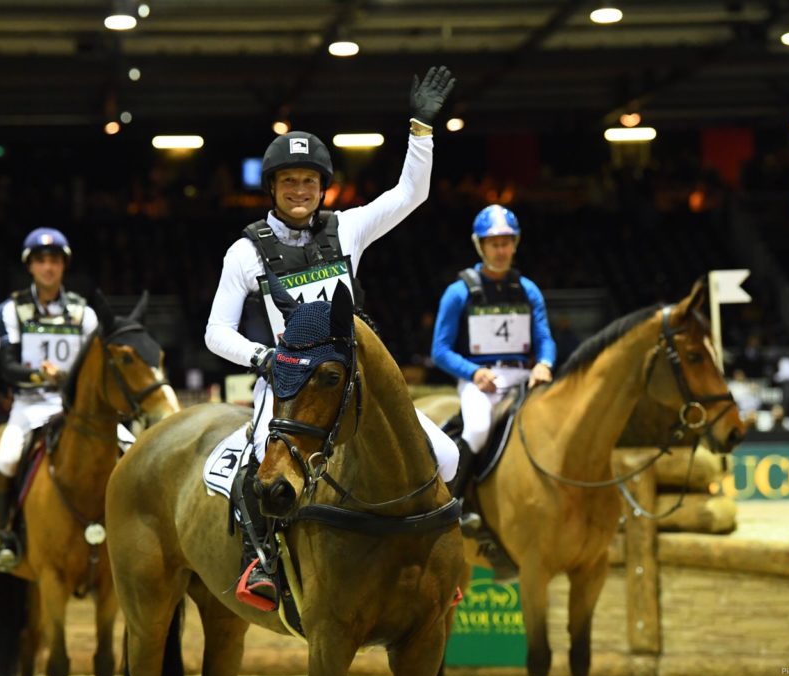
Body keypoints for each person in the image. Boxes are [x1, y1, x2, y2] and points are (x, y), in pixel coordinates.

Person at [205, 66, 457, 610]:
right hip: (290, 386)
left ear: (324, 187)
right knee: (252, 468)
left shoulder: (348, 229)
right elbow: (215, 332)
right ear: (272, 187)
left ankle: (442, 554)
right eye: (289, 181)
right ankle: (263, 564)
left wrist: (421, 130)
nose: (300, 191)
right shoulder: (245, 252)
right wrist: (266, 358)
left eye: (310, 182)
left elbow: (412, 193)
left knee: (446, 455)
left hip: (356, 383)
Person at [0, 227, 98, 572]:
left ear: (63, 267)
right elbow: (7, 367)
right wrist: (41, 375)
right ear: (30, 267)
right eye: (41, 261)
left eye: (54, 261)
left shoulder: (84, 313)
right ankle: (7, 536)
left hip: (75, 407)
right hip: (30, 406)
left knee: (128, 447)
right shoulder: (11, 310)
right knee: (5, 460)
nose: (48, 267)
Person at [431, 205, 556, 493]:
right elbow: (440, 349)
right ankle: (458, 501)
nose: (501, 250)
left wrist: (545, 363)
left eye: (506, 243)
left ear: (515, 244)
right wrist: (474, 373)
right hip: (480, 381)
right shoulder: (458, 292)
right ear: (481, 246)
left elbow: (545, 339)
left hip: (523, 376)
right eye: (494, 244)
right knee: (476, 429)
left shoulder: (529, 290)